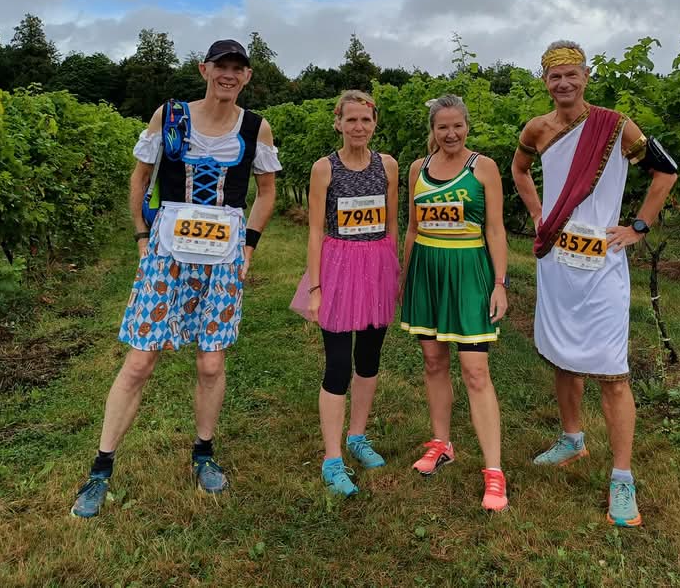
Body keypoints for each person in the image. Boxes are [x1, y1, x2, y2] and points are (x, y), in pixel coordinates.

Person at [71, 38, 281, 518]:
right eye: (221, 66)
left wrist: (248, 244)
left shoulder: (255, 127)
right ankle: (101, 468)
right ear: (205, 69)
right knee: (141, 360)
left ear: (247, 76)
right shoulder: (170, 116)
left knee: (210, 364)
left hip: (222, 255)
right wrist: (142, 237)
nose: (228, 75)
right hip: (168, 252)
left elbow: (265, 193)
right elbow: (140, 179)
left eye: (238, 69)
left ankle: (203, 452)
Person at [511, 40, 678, 528]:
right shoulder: (537, 129)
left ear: (586, 77)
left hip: (602, 263)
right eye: (553, 76)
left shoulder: (616, 127)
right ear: (544, 81)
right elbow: (520, 170)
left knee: (611, 370)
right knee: (564, 355)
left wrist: (638, 228)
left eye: (571, 75)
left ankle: (622, 478)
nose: (563, 83)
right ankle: (572, 440)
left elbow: (665, 173)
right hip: (558, 261)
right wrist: (539, 213)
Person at [400, 94, 510, 512]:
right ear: (433, 129)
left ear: (467, 126)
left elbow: (496, 231)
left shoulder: (483, 168)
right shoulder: (417, 170)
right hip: (428, 270)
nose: (450, 134)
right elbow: (411, 229)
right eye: (442, 127)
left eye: (457, 126)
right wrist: (405, 276)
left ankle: (494, 471)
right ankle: (442, 443)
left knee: (475, 370)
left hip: (468, 273)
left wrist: (499, 283)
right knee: (433, 363)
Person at [289, 90, 400, 496]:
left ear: (375, 124)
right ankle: (332, 458)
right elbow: (316, 229)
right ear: (338, 123)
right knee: (337, 364)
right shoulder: (325, 168)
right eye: (351, 120)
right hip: (337, 267)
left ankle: (358, 436)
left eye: (365, 121)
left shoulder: (388, 165)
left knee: (368, 359)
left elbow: (391, 222)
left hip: (376, 265)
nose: (358, 128)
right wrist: (315, 287)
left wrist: (393, 269)